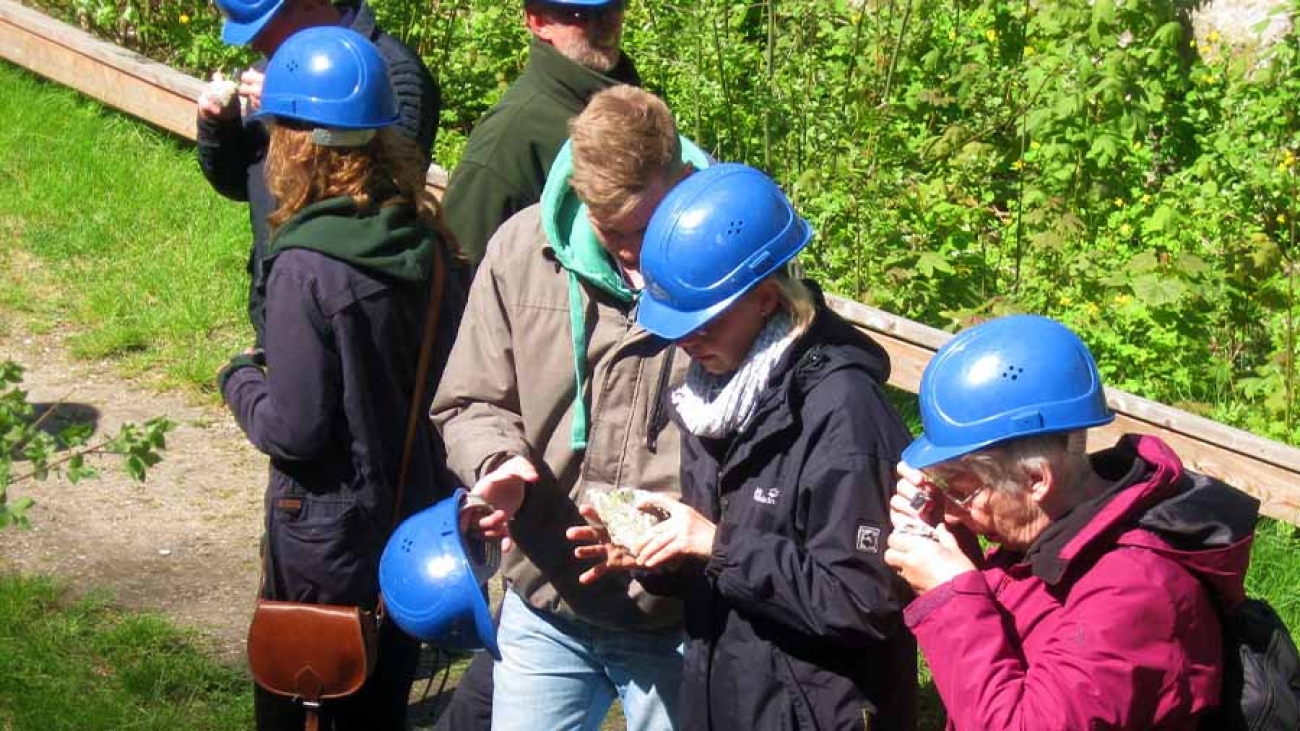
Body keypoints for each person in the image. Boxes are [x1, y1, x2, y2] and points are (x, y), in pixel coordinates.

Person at [567, 163, 919, 730]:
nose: (688, 338)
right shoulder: (711, 397)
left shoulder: (845, 411)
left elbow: (866, 601)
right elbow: (728, 576)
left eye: (705, 318)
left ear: (766, 297)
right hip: (729, 697)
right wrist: (664, 556)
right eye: (678, 321)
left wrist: (717, 543)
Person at [431, 85, 710, 731]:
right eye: (612, 232)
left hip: (680, 615)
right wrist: (498, 463)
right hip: (546, 597)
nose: (632, 255)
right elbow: (470, 398)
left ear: (679, 177)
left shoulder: (721, 259)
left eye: (646, 228)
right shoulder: (522, 249)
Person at [215, 26, 465, 730]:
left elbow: (293, 430)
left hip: (325, 541)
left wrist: (239, 379)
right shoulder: (431, 243)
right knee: (381, 706)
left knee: (306, 709)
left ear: (293, 142)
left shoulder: (305, 267)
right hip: (413, 520)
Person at [883, 314, 1257, 730]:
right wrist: (947, 539)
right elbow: (1010, 645)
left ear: (1036, 479)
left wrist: (949, 594)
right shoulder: (1056, 534)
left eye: (963, 492)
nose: (953, 508)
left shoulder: (1135, 593)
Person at [197, 0, 439, 346]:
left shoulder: (394, 71)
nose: (254, 44)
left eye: (260, 29)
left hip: (355, 308)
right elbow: (241, 184)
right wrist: (219, 126)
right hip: (283, 291)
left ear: (306, 5)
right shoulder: (279, 62)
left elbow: (389, 187)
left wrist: (300, 110)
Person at [440, 0, 639, 265]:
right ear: (538, 22)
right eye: (583, 15)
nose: (607, 24)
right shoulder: (508, 138)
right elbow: (459, 272)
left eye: (615, 6)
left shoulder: (632, 105)